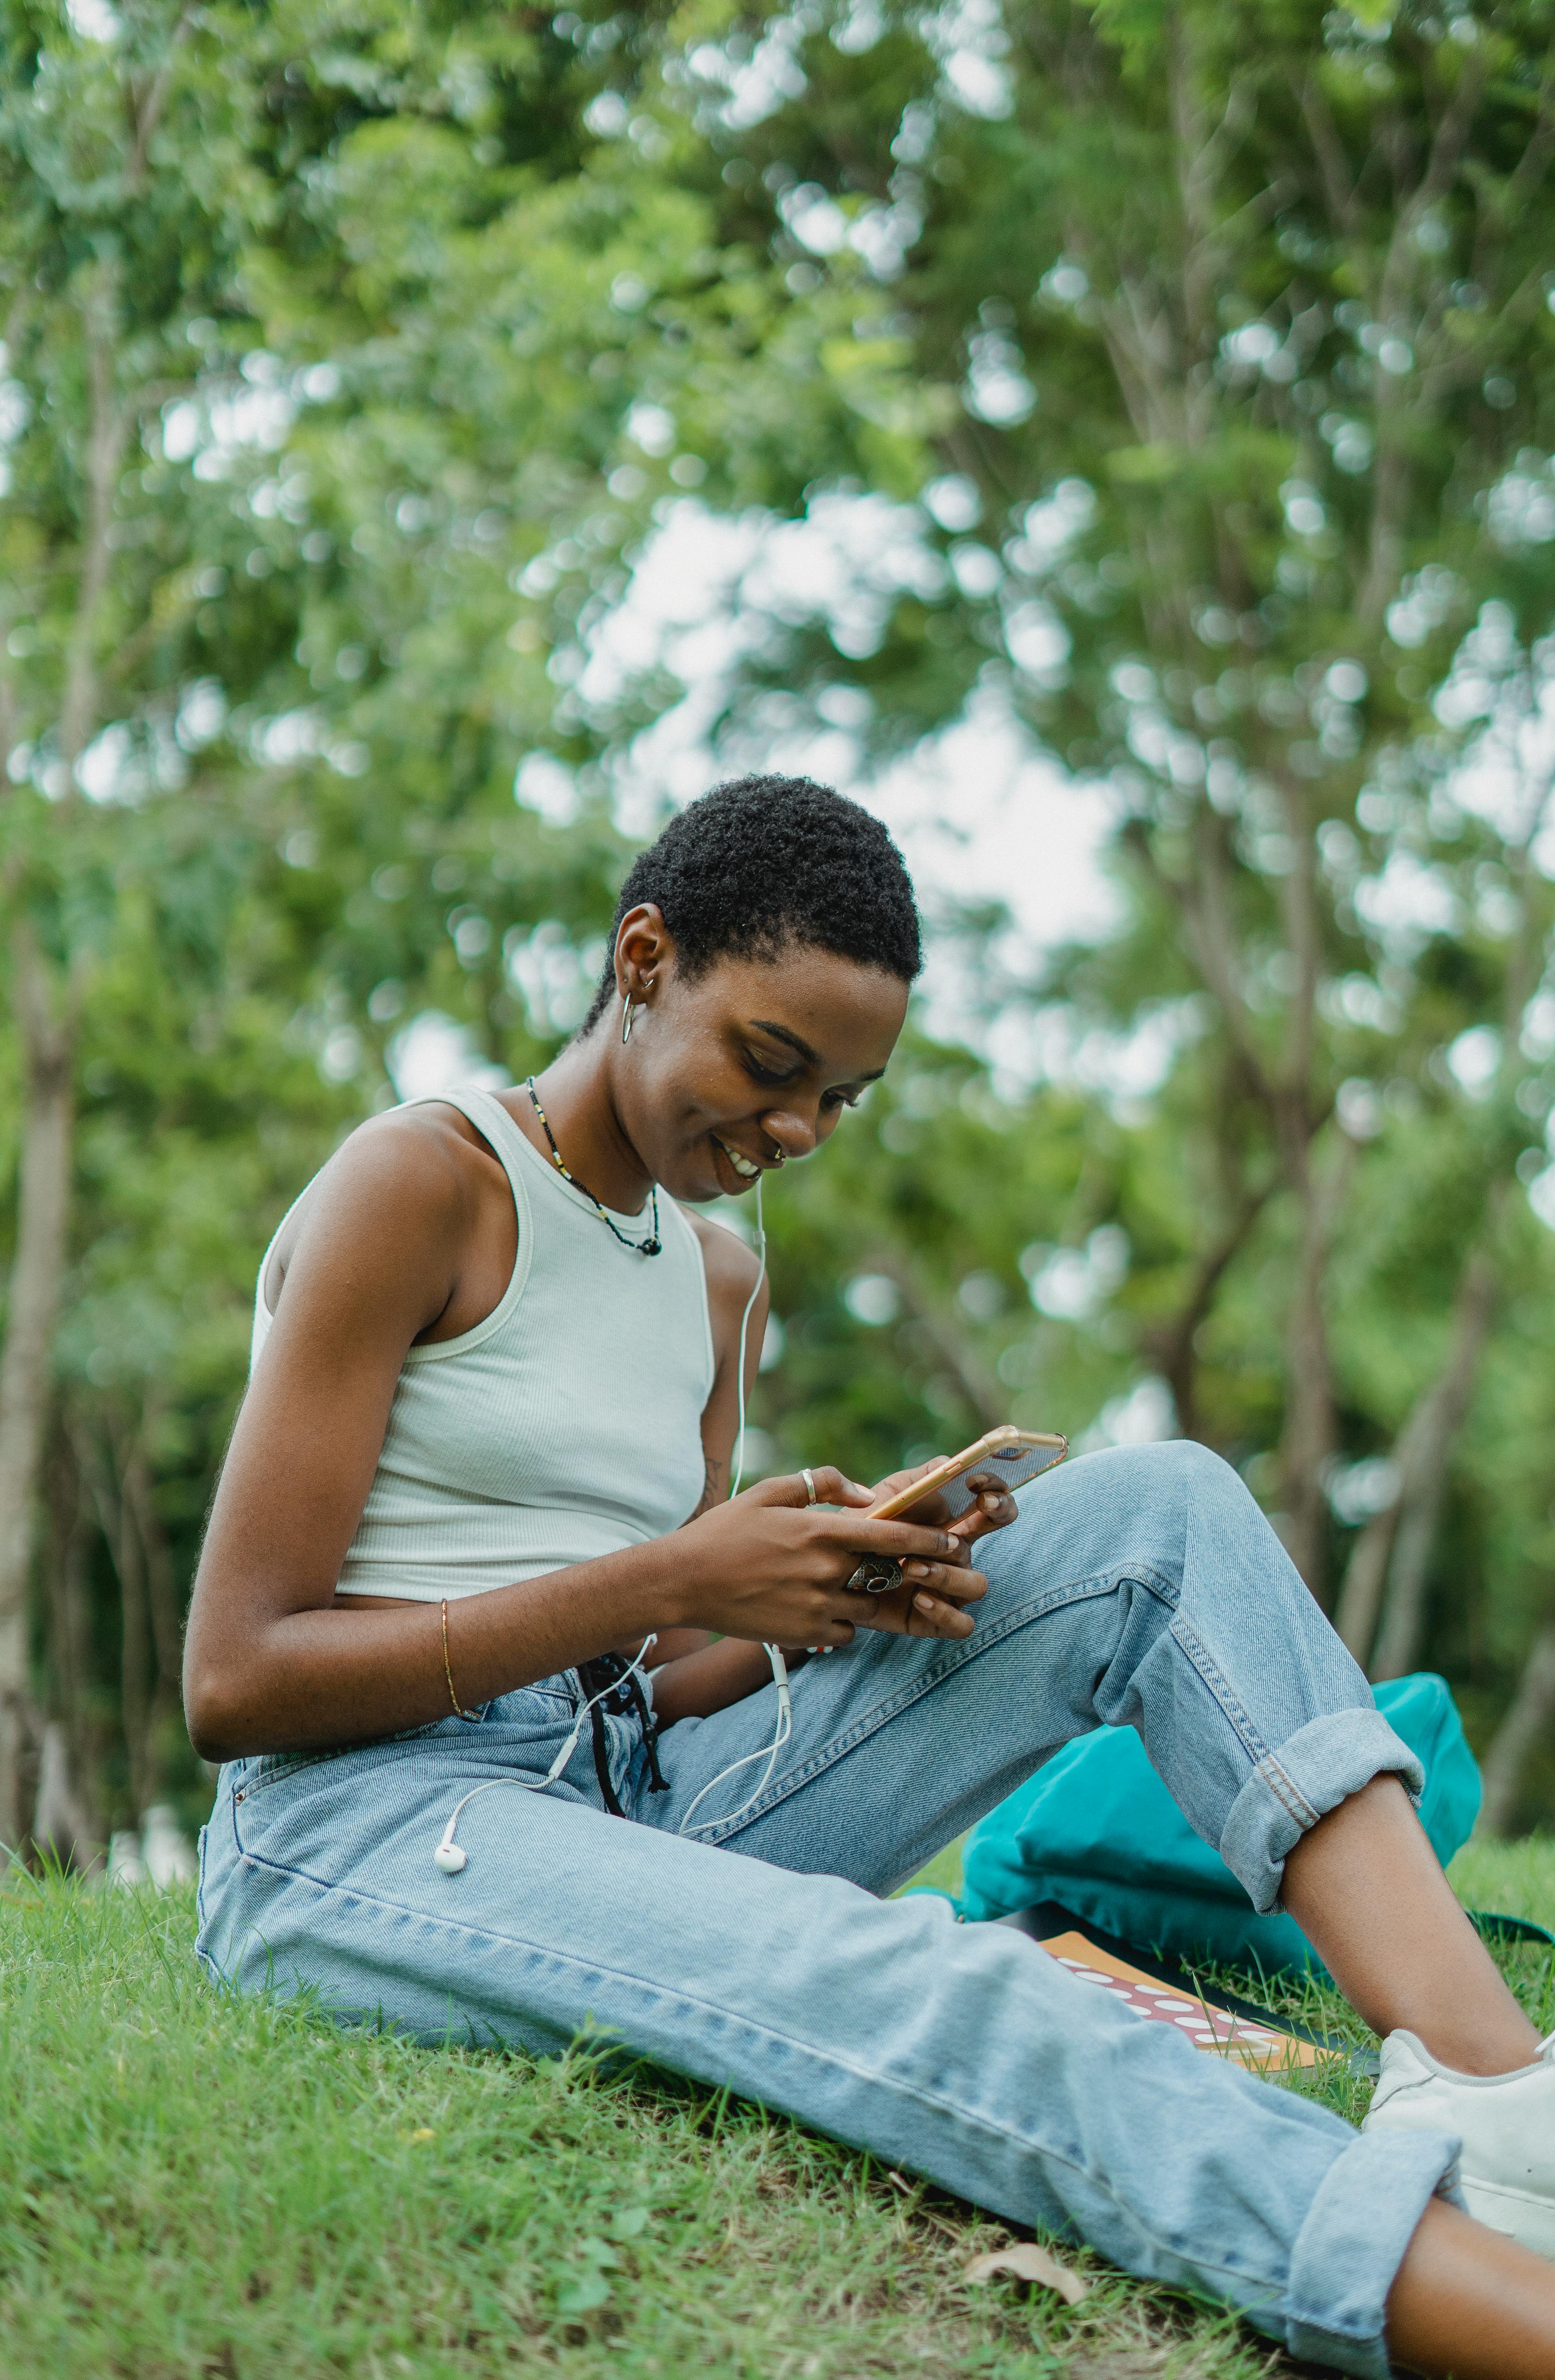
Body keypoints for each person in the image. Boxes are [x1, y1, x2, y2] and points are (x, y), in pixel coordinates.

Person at [186, 776, 1555, 2380]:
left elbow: (654, 1666)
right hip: (369, 1827)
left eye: (841, 1098)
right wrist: (676, 1573)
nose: (791, 1132)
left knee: (1157, 1509)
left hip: (629, 1789)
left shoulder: (714, 1272)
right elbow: (237, 1685)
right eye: (771, 1066)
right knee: (958, 1983)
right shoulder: (424, 1184)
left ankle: (1496, 2102)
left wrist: (818, 1605)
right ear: (643, 962)